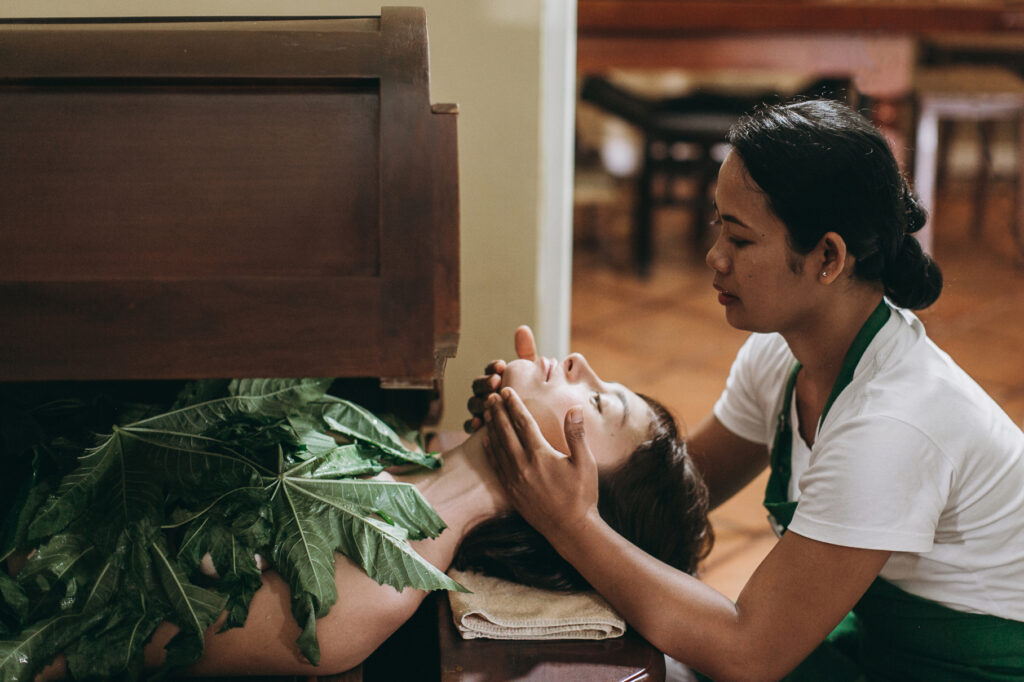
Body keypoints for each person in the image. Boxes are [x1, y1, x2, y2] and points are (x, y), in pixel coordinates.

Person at [481, 99, 1024, 680]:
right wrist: (537, 440)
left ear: (828, 257)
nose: (714, 257)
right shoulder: (782, 355)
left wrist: (572, 525)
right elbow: (678, 493)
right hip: (882, 645)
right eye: (720, 225)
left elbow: (749, 652)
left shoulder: (891, 424)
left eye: (740, 239)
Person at [27, 338, 711, 680]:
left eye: (598, 404)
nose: (581, 362)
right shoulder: (395, 448)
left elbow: (93, 638)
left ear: (576, 488)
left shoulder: (374, 589)